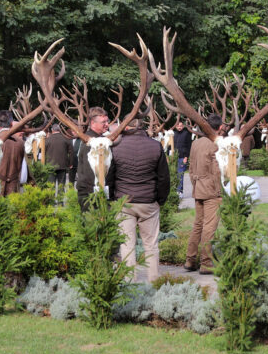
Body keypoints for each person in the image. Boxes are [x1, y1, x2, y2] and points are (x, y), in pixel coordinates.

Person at [109, 119, 170, 283]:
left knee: (127, 245)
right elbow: (164, 177)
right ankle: (154, 282)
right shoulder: (155, 146)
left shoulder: (115, 147)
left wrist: (112, 199)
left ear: (126, 127)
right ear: (142, 127)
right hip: (148, 202)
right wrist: (160, 200)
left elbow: (110, 176)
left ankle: (130, 284)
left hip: (124, 202)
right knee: (151, 245)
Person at [186, 114, 223, 274]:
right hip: (211, 190)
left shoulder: (196, 143)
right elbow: (217, 169)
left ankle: (190, 260)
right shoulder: (215, 144)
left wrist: (195, 183)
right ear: (220, 127)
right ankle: (206, 263)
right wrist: (219, 190)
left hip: (198, 188)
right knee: (209, 227)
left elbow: (191, 167)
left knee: (198, 225)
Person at [75, 107, 110, 208]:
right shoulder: (90, 142)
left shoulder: (101, 139)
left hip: (97, 191)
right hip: (90, 194)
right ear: (93, 123)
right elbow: (89, 172)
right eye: (103, 122)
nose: (107, 125)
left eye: (107, 121)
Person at [44, 123, 73, 190]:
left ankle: (51, 199)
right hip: (62, 165)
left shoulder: (47, 140)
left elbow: (43, 152)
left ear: (52, 130)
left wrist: (44, 163)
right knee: (61, 185)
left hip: (50, 165)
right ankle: (60, 200)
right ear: (60, 130)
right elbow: (71, 152)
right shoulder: (66, 139)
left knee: (51, 186)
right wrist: (70, 163)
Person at [172, 120, 192, 195]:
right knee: (175, 174)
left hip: (182, 157)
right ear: (176, 127)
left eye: (180, 126)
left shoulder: (186, 134)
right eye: (178, 126)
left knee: (180, 174)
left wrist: (186, 157)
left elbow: (189, 146)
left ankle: (179, 191)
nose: (179, 127)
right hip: (174, 157)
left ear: (183, 126)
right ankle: (176, 190)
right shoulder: (174, 134)